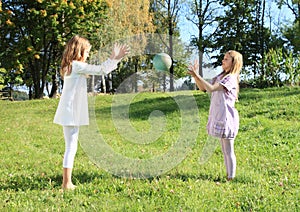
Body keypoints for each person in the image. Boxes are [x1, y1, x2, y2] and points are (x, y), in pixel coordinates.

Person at [53, 35, 129, 190]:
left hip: (68, 111)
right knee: (71, 147)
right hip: (71, 112)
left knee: (70, 145)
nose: (88, 55)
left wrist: (113, 58)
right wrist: (115, 58)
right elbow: (101, 70)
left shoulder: (69, 66)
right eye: (87, 52)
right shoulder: (76, 65)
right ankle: (66, 183)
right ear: (79, 51)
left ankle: (66, 182)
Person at [188, 50, 243, 181]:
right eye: (223, 58)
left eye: (226, 59)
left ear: (233, 63)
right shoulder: (221, 76)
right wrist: (195, 77)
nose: (223, 61)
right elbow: (203, 88)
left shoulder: (231, 78)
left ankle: (231, 177)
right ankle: (229, 175)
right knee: (225, 150)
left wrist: (197, 75)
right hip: (219, 115)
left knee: (229, 150)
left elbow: (212, 88)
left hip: (227, 118)